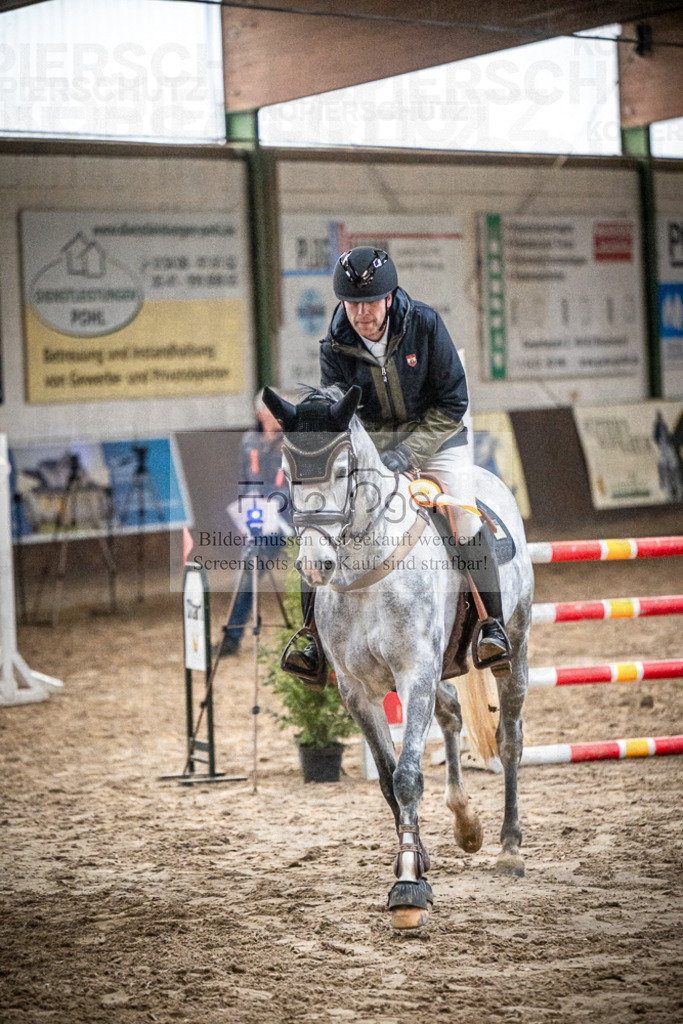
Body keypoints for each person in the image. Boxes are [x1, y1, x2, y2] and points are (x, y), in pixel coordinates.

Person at [282, 246, 511, 681]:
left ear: (389, 298)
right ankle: (310, 635)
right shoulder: (334, 344)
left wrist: (406, 454)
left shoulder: (424, 325)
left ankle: (490, 626)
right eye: (352, 303)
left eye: (369, 302)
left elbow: (452, 402)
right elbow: (339, 415)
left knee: (462, 517)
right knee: (322, 520)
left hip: (438, 438)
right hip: (374, 450)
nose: (361, 312)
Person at [217, 391, 291, 657]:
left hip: (292, 523)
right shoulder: (249, 441)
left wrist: (277, 501)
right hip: (261, 524)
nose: (278, 414)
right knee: (246, 573)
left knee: (311, 577)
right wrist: (246, 516)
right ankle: (231, 637)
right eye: (272, 410)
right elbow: (246, 480)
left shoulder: (294, 440)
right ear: (260, 414)